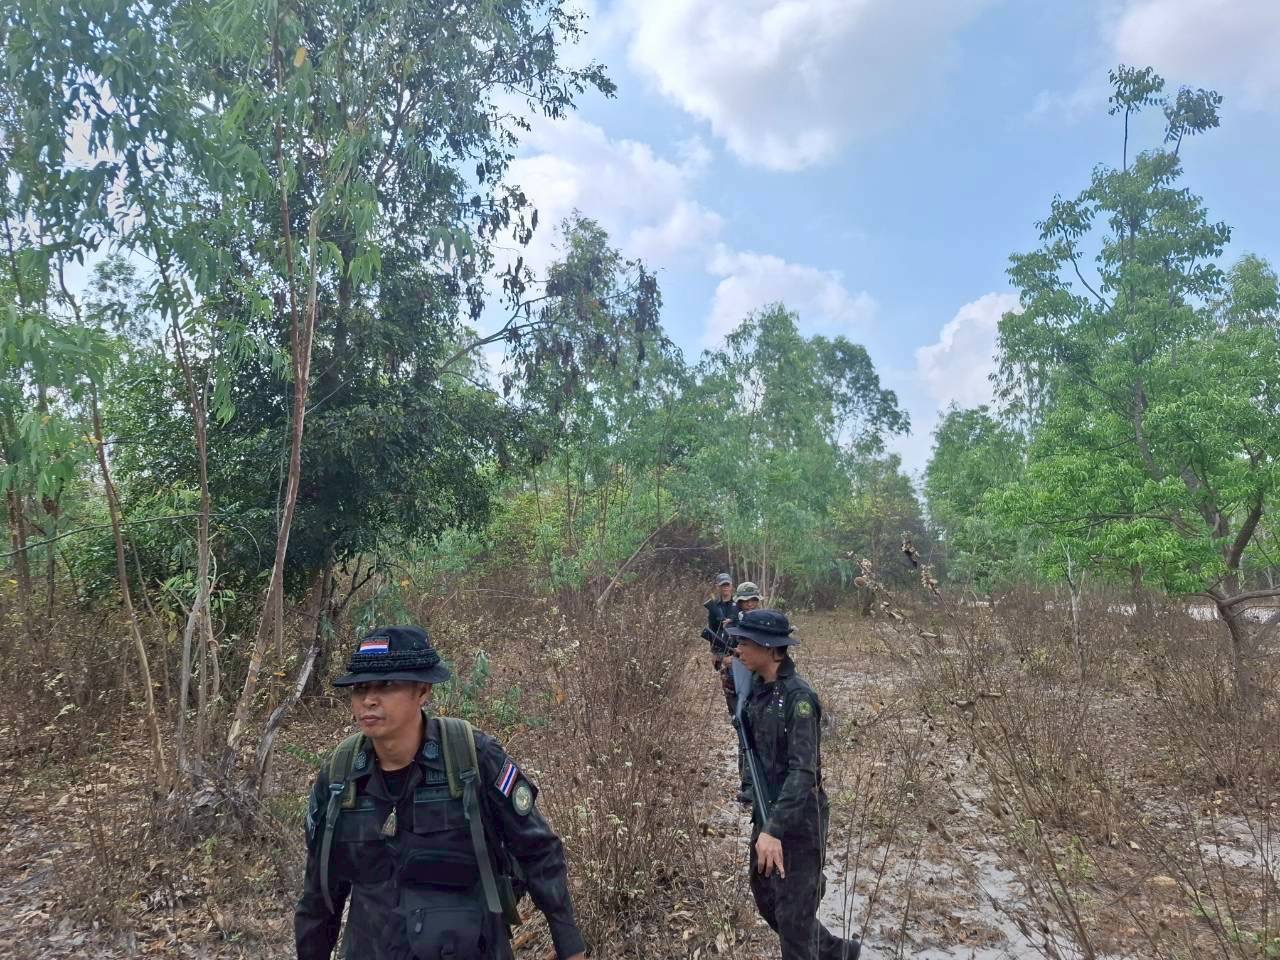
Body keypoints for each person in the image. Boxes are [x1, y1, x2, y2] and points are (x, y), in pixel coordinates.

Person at [295, 625, 587, 960]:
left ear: (423, 691)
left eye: (386, 685)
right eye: (360, 687)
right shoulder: (340, 776)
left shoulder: (472, 758)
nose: (369, 700)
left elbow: (538, 851)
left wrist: (570, 946)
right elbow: (319, 895)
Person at [728, 608, 861, 960]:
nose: (738, 649)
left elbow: (803, 772)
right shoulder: (756, 689)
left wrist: (774, 830)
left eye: (746, 642)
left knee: (793, 918)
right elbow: (750, 745)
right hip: (766, 810)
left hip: (800, 820)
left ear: (771, 648)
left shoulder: (799, 699)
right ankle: (839, 953)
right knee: (767, 897)